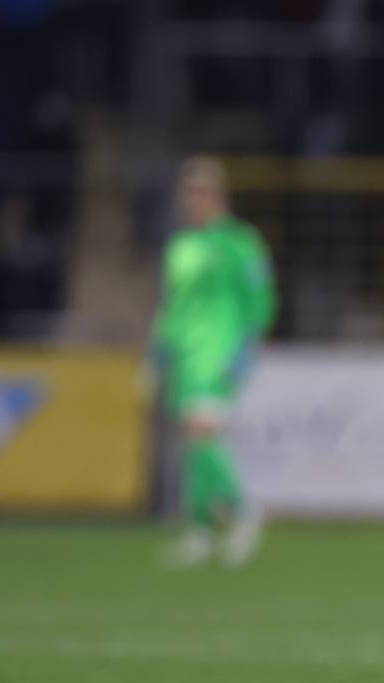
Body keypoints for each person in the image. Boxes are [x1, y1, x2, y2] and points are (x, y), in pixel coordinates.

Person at [146, 157, 277, 568]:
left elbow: (261, 300)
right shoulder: (180, 247)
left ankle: (242, 511)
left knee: (201, 433)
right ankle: (201, 530)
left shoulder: (240, 243)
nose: (191, 201)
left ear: (217, 195)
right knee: (193, 440)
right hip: (185, 356)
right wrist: (156, 354)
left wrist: (244, 351)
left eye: (199, 192)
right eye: (187, 193)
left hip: (219, 353)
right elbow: (172, 306)